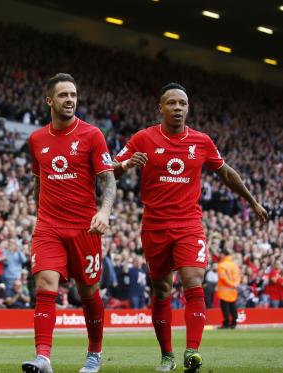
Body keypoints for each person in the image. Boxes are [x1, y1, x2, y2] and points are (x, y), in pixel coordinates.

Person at [113, 82, 269, 372]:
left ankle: (192, 352)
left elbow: (226, 173)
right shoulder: (143, 138)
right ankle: (167, 356)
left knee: (193, 281)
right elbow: (110, 169)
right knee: (161, 290)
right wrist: (125, 166)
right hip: (155, 225)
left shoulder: (201, 141)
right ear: (161, 108)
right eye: (171, 103)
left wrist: (254, 201)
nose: (177, 108)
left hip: (189, 224)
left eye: (182, 104)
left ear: (188, 108)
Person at [22, 73, 116, 373]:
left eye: (73, 95)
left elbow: (109, 179)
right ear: (50, 100)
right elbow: (38, 182)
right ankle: (43, 357)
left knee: (88, 292)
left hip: (84, 228)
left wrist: (104, 211)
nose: (70, 100)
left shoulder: (92, 135)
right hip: (49, 226)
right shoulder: (36, 139)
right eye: (63, 95)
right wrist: (39, 216)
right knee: (44, 284)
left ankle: (94, 354)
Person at [217, 248, 240, 329]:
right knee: (233, 306)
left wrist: (231, 284)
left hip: (224, 291)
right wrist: (235, 284)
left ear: (223, 255)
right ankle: (234, 322)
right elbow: (238, 276)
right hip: (233, 290)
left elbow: (223, 278)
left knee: (225, 308)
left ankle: (226, 323)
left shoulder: (221, 265)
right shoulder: (234, 265)